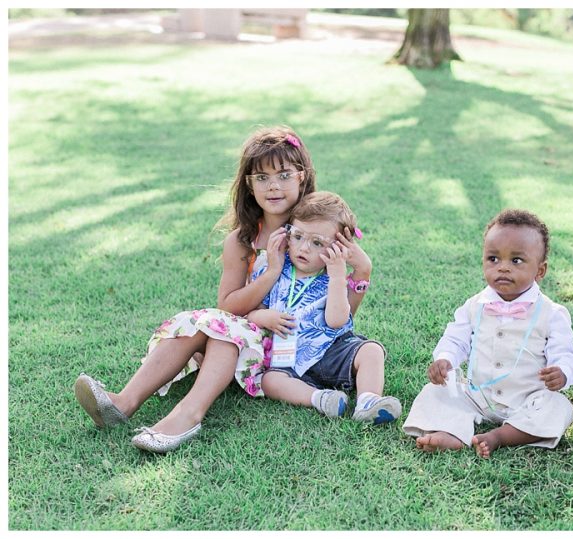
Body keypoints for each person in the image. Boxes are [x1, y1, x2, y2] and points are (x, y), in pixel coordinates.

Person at [74, 126, 373, 453]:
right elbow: (229, 307)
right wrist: (271, 272)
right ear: (249, 185)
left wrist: (362, 269)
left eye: (284, 174)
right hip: (248, 332)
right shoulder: (243, 240)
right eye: (261, 178)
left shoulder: (319, 230)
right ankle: (123, 403)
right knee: (212, 324)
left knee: (223, 330)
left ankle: (187, 415)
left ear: (302, 176)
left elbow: (340, 318)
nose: (273, 186)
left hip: (290, 351)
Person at [403, 209, 573, 458]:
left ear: (540, 270)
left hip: (528, 399)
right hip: (478, 395)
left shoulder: (552, 313)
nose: (503, 268)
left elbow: (567, 355)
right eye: (493, 259)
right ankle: (453, 432)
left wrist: (562, 373)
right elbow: (456, 339)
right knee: (436, 391)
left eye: (516, 260)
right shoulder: (474, 305)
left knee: (559, 407)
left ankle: (502, 436)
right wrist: (445, 359)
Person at [252, 191, 401, 424]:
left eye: (318, 243)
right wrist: (264, 316)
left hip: (332, 352)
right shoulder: (274, 267)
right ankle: (321, 399)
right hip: (288, 359)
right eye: (298, 236)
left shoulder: (332, 276)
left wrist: (337, 276)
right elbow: (250, 311)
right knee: (269, 381)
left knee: (371, 350)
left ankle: (368, 401)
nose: (304, 248)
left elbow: (336, 320)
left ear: (339, 248)